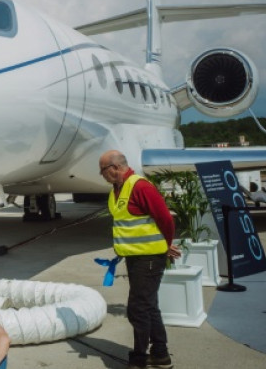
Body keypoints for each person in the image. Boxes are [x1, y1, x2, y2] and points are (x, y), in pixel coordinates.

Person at [100, 150, 181, 369]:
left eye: (103, 171)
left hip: (149, 258)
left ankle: (139, 359)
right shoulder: (116, 190)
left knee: (137, 308)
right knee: (149, 306)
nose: (102, 176)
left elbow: (165, 218)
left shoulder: (141, 186)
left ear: (114, 168)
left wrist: (165, 244)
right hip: (134, 258)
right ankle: (161, 356)